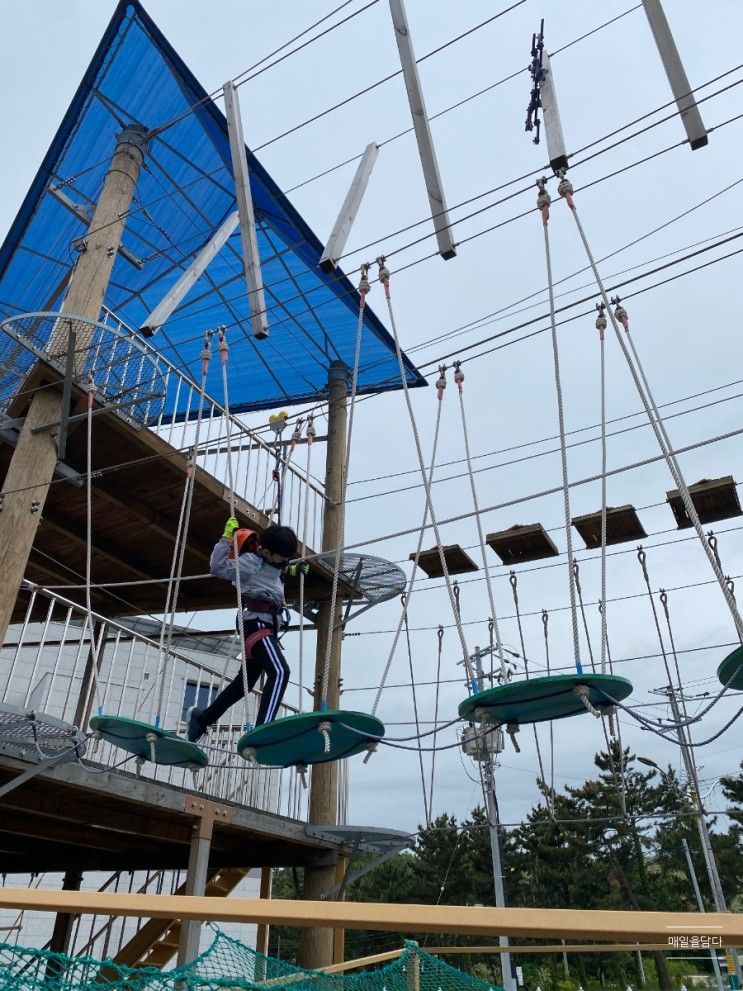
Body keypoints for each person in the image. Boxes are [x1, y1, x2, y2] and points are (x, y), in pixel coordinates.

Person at [187, 517, 306, 742]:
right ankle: (264, 728)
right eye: (283, 557)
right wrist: (225, 539)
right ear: (268, 552)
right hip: (257, 625)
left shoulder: (275, 562)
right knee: (280, 672)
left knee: (243, 686)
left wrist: (293, 569)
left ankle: (202, 719)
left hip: (265, 625)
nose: (285, 561)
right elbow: (218, 568)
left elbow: (276, 572)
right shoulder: (250, 563)